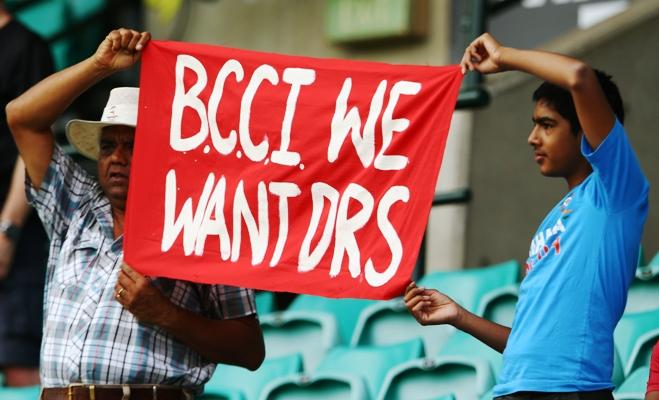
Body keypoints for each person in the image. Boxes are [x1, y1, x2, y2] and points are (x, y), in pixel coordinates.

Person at [6, 28, 265, 398]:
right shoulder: (75, 208)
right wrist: (99, 65)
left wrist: (166, 314)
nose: (117, 158)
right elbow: (21, 118)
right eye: (108, 145)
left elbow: (250, 349)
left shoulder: (200, 224)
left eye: (133, 145)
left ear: (164, 154)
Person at [405, 32, 648, 400]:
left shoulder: (616, 193)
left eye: (547, 124)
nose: (532, 138)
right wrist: (460, 317)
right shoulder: (554, 220)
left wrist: (505, 56)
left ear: (586, 129)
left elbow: (579, 76)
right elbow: (528, 346)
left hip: (573, 393)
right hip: (514, 390)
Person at [0, 1, 53, 387]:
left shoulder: (26, 47)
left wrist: (7, 230)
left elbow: (33, 149)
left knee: (20, 361)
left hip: (18, 232)